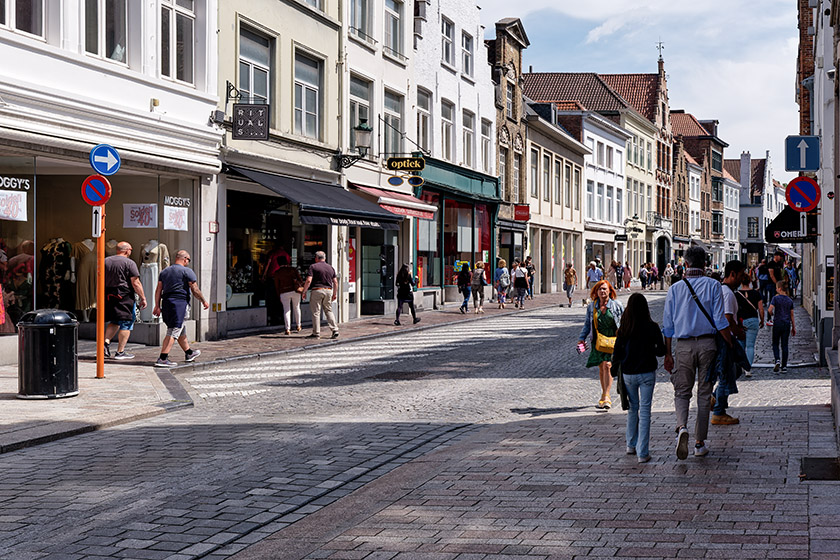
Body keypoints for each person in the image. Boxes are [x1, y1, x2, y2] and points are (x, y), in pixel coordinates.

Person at [662, 246, 732, 460]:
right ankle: (699, 443)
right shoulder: (714, 286)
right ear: (705, 263)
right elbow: (720, 321)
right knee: (704, 393)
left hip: (683, 345)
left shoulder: (675, 289)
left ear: (686, 263)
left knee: (682, 391)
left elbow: (667, 325)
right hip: (707, 344)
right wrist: (730, 343)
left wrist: (668, 353)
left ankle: (682, 427)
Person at [613, 293, 665, 463]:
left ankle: (630, 444)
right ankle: (643, 453)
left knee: (632, 408)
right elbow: (661, 351)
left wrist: (614, 368)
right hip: (646, 372)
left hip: (628, 373)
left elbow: (618, 352)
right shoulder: (652, 326)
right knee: (645, 411)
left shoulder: (624, 328)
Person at [152, 250, 209, 367]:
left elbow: (158, 290)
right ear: (185, 259)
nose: (188, 262)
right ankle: (163, 358)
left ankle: (189, 353)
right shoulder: (187, 271)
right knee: (173, 330)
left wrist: (157, 305)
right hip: (179, 304)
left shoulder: (165, 272)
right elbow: (195, 289)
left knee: (180, 329)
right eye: (188, 260)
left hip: (167, 303)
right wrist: (203, 300)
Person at [711, 260, 748, 426]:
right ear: (732, 273)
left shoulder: (722, 290)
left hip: (724, 338)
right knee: (727, 373)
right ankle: (718, 410)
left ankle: (715, 400)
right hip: (726, 339)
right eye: (740, 275)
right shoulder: (727, 293)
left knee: (734, 371)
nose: (742, 279)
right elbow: (726, 318)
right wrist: (735, 336)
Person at [577, 280, 624, 410]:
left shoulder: (617, 305)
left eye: (605, 289)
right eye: (600, 289)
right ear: (596, 292)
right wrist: (582, 338)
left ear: (610, 290)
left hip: (613, 339)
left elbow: (624, 323)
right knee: (602, 366)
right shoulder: (592, 307)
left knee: (608, 365)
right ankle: (604, 393)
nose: (602, 291)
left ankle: (607, 396)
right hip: (598, 340)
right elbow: (587, 324)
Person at [104, 242, 146, 360]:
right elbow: (135, 282)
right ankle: (120, 352)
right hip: (124, 294)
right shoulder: (129, 263)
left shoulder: (106, 261)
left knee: (115, 320)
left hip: (109, 294)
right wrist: (143, 297)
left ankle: (105, 344)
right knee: (127, 322)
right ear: (127, 250)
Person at [301, 251, 339, 339]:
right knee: (328, 310)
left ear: (316, 258)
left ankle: (316, 332)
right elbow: (335, 282)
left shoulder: (313, 267)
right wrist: (334, 293)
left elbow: (308, 280)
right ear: (324, 258)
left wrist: (304, 291)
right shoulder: (331, 268)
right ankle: (335, 329)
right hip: (328, 290)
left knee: (316, 312)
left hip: (317, 290)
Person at [736, 275, 764, 377]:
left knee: (741, 345)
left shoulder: (737, 294)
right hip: (753, 320)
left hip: (741, 321)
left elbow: (734, 310)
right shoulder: (756, 294)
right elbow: (761, 309)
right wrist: (762, 320)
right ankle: (748, 369)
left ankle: (741, 366)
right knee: (751, 346)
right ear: (750, 282)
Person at [768, 280, 795, 372]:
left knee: (775, 343)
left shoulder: (775, 299)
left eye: (776, 288)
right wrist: (794, 327)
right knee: (785, 345)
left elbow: (770, 309)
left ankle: (777, 360)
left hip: (777, 323)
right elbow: (792, 315)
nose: (776, 290)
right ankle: (784, 367)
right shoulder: (789, 300)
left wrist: (771, 314)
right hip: (786, 324)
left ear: (779, 289)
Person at [273, 254, 304, 335]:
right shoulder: (293, 270)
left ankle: (287, 329)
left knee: (286, 310)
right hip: (295, 291)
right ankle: (298, 325)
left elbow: (277, 285)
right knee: (297, 308)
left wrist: (278, 294)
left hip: (284, 292)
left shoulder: (278, 272)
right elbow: (300, 279)